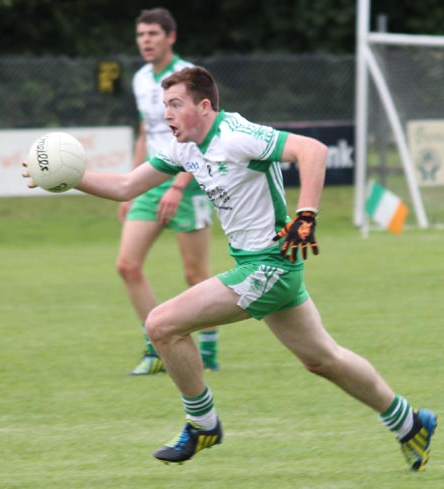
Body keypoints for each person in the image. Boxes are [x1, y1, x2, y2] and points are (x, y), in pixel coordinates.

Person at [23, 66, 436, 471]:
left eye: (175, 104)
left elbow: (313, 150)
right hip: (262, 267)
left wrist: (306, 214)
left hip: (270, 265)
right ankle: (408, 422)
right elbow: (126, 187)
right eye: (164, 105)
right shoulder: (185, 145)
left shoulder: (236, 135)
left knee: (162, 324)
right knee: (323, 359)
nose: (166, 114)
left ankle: (203, 424)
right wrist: (68, 176)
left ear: (205, 106)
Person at [117, 8, 218, 375]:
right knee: (127, 265)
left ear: (170, 37)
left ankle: (208, 349)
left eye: (153, 34)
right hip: (150, 180)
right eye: (140, 34)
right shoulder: (141, 78)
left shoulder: (191, 76)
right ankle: (155, 348)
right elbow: (146, 131)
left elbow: (204, 135)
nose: (145, 40)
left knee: (195, 274)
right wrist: (131, 187)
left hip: (188, 185)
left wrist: (177, 187)